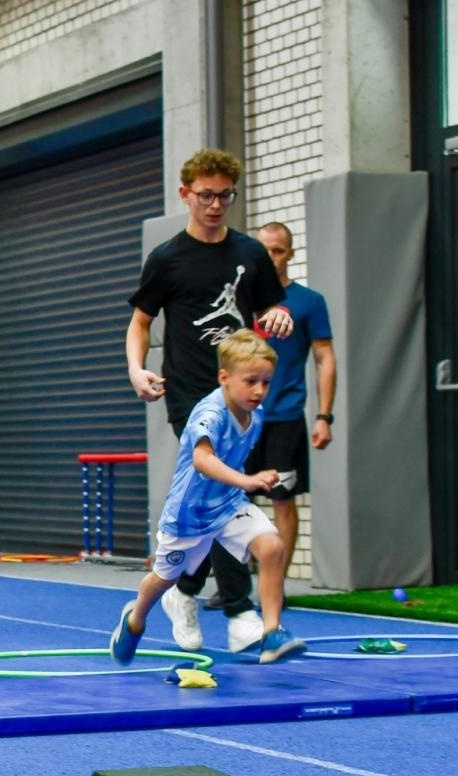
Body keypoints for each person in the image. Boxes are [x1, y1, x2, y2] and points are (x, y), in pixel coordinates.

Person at [126, 147, 293, 654]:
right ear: (186, 195)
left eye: (225, 196)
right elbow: (140, 322)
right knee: (222, 490)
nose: (216, 205)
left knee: (215, 500)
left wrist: (278, 315)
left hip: (241, 391)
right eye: (206, 196)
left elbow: (269, 305)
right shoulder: (168, 259)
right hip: (191, 393)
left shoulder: (249, 252)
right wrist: (137, 369)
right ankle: (240, 608)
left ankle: (187, 589)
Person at [109, 330, 305, 666]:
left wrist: (255, 479)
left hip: (228, 505)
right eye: (251, 381)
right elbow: (203, 460)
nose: (259, 390)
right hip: (190, 514)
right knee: (163, 579)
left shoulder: (255, 414)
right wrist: (249, 480)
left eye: (266, 382)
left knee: (271, 546)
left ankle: (272, 632)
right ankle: (134, 618)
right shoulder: (210, 413)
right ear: (224, 378)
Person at [246, 221, 337, 572]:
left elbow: (324, 357)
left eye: (278, 250)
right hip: (240, 420)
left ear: (291, 254)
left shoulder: (308, 302)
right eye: (264, 250)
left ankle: (276, 582)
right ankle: (233, 584)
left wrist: (324, 416)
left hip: (284, 416)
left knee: (282, 499)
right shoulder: (239, 301)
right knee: (232, 500)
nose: (271, 258)